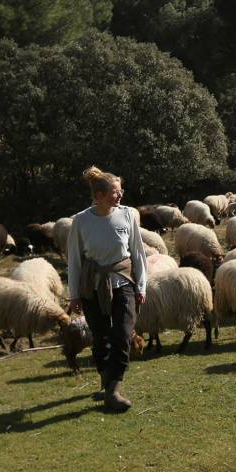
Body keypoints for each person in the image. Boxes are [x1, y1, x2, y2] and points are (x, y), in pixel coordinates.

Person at [66, 166, 147, 412]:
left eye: (121, 191)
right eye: (115, 192)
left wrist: (141, 285)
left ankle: (113, 390)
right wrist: (74, 295)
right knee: (101, 338)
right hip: (93, 285)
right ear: (99, 195)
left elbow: (138, 252)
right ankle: (106, 381)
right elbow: (74, 261)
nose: (120, 196)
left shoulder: (129, 215)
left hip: (123, 282)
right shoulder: (81, 221)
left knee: (122, 335)